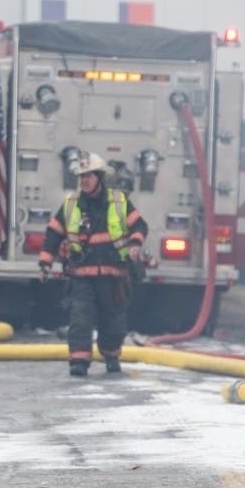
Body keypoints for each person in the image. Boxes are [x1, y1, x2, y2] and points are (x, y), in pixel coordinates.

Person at [38, 151, 148, 377]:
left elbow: (140, 226)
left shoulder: (119, 202)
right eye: (81, 177)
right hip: (82, 276)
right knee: (80, 318)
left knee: (113, 320)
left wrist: (135, 244)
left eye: (88, 176)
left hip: (113, 277)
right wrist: (45, 262)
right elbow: (54, 233)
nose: (84, 181)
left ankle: (111, 356)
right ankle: (78, 362)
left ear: (100, 177)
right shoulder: (71, 206)